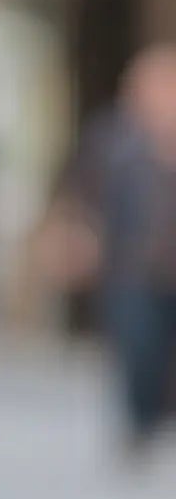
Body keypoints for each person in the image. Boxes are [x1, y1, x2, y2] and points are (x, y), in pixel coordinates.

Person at [68, 43, 176, 452]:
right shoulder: (114, 138)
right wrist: (79, 234)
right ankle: (140, 421)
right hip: (130, 265)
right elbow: (83, 190)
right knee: (138, 344)